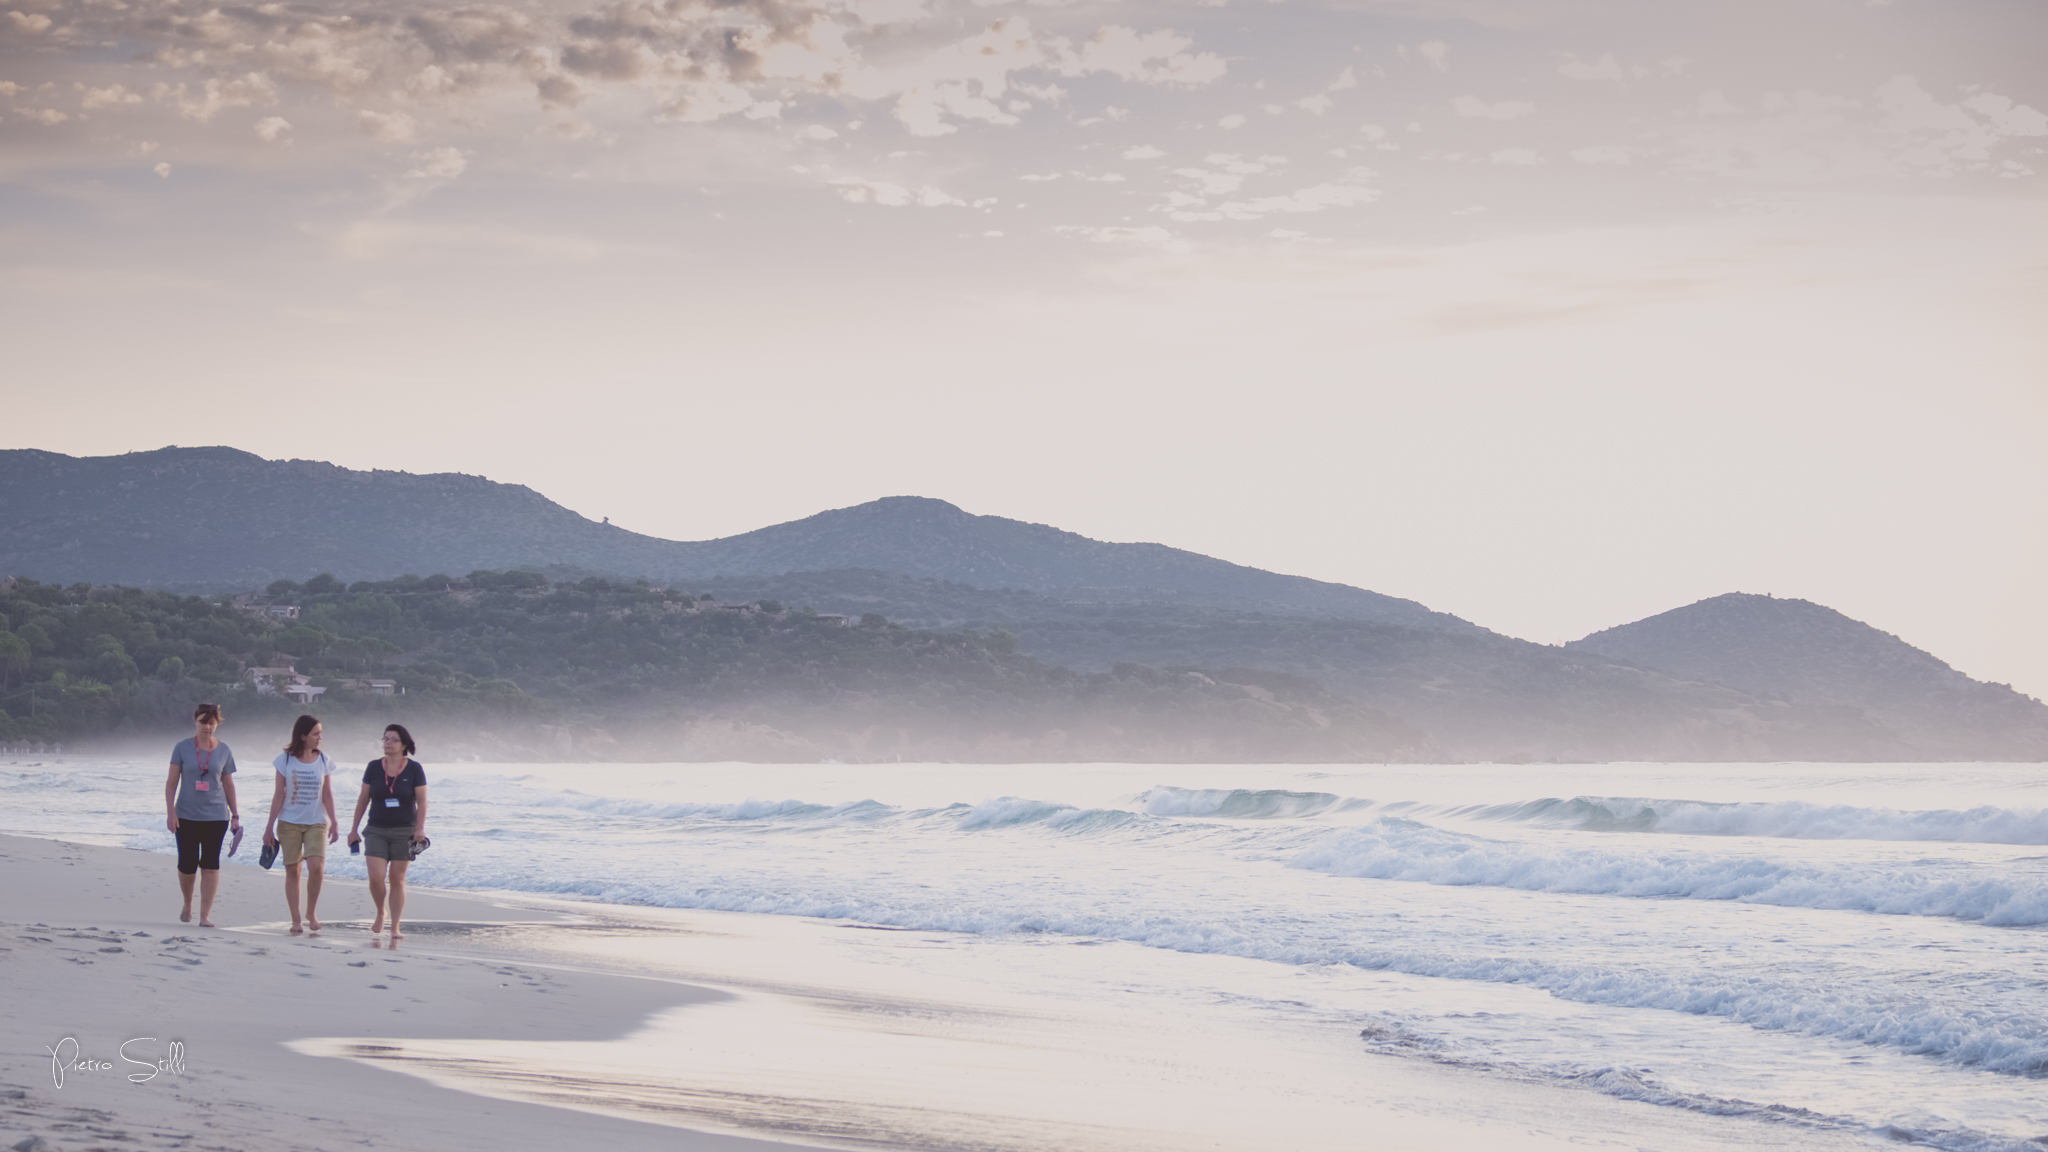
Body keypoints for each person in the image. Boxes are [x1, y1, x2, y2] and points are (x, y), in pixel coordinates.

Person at [347, 724, 427, 941]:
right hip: (376, 830)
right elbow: (363, 798)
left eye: (392, 739)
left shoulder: (414, 769)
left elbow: (422, 800)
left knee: (397, 878)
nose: (387, 743)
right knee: (375, 877)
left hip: (405, 831)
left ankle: (395, 926)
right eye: (385, 739)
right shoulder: (373, 767)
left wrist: (420, 828)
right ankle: (381, 911)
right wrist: (353, 829)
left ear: (404, 745)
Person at [164, 702, 240, 927]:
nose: (207, 727)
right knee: (187, 864)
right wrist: (171, 813)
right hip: (186, 814)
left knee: (210, 865)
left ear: (217, 724)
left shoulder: (224, 750)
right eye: (203, 722)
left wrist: (235, 815)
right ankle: (188, 903)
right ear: (195, 722)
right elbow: (170, 784)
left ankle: (205, 915)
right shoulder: (182, 747)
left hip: (216, 816)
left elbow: (228, 785)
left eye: (211, 723)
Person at [264, 714, 340, 935]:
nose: (320, 738)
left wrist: (334, 822)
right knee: (293, 871)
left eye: (321, 733)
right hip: (289, 822)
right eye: (316, 734)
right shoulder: (284, 760)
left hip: (316, 821)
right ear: (303, 735)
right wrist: (269, 827)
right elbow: (279, 795)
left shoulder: (324, 760)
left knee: (316, 867)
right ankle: (296, 919)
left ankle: (311, 912)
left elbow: (327, 794)